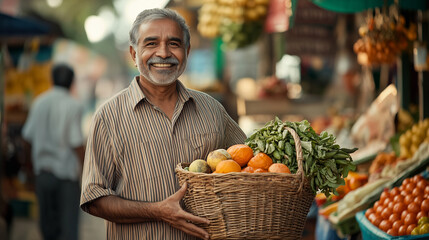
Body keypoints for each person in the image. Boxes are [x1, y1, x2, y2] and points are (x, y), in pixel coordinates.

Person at [80, 8, 246, 240]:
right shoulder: (108, 117)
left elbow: (248, 167)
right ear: (133, 53)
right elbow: (94, 200)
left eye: (174, 44)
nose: (163, 52)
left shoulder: (212, 110)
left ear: (187, 52)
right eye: (151, 43)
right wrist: (157, 211)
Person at [22, 64, 85, 240]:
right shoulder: (74, 105)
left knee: (47, 229)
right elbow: (76, 143)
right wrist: (86, 172)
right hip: (66, 178)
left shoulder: (39, 102)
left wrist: (28, 169)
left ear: (52, 80)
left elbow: (26, 138)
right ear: (72, 82)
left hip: (43, 175)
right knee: (68, 231)